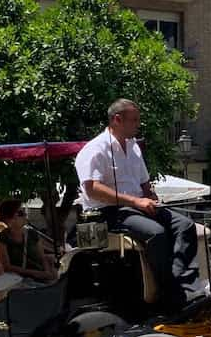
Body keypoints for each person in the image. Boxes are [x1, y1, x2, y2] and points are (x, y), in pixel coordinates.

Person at [75, 99, 203, 309]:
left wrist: (151, 198)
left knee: (185, 225)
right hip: (109, 211)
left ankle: (185, 285)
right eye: (134, 120)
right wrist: (136, 201)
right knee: (156, 233)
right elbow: (92, 188)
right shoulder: (94, 149)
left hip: (137, 206)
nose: (138, 124)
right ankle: (167, 294)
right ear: (117, 119)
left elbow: (144, 183)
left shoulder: (134, 147)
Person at [0, 199, 57, 282]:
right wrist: (34, 273)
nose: (25, 215)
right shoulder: (2, 237)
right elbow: (6, 266)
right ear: (10, 219)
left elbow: (42, 257)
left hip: (41, 279)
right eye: (21, 213)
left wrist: (47, 272)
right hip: (19, 281)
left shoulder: (32, 233)